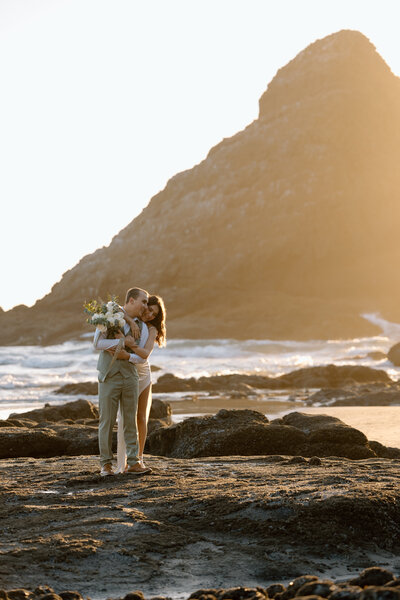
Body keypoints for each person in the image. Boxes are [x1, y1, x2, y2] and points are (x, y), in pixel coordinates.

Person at [93, 287, 152, 476]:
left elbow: (141, 357)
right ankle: (106, 465)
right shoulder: (109, 315)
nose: (145, 305)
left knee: (130, 420)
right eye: (143, 301)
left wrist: (125, 351)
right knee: (107, 421)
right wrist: (122, 343)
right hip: (109, 375)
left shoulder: (142, 327)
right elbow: (97, 344)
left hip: (130, 377)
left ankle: (134, 462)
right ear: (131, 300)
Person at [115, 294, 167, 473]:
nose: (151, 315)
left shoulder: (152, 329)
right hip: (127, 371)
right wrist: (130, 320)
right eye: (150, 309)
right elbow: (115, 309)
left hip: (143, 372)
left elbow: (146, 353)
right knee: (125, 417)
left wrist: (130, 345)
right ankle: (124, 460)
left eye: (155, 314)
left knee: (141, 417)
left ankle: (138, 459)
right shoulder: (128, 319)